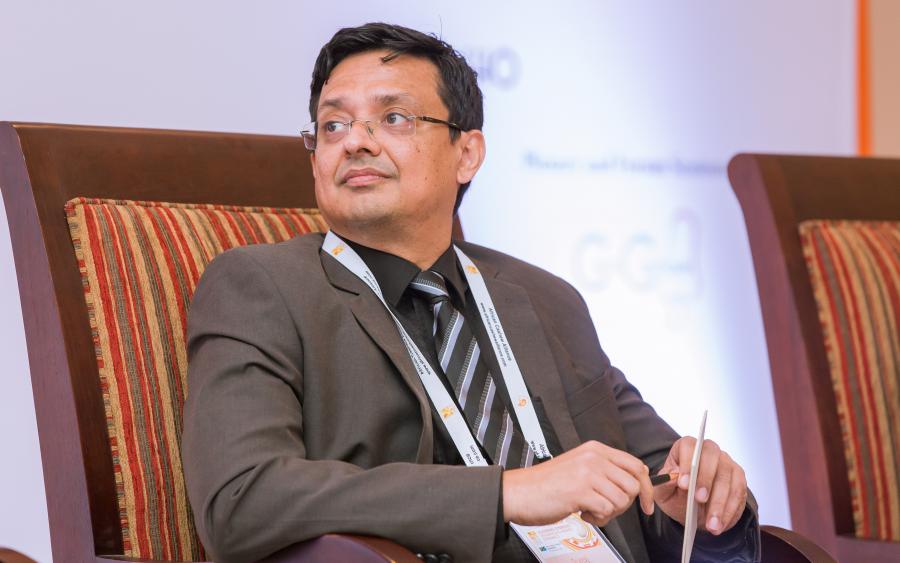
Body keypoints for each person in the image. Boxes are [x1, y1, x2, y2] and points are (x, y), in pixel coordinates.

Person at [182, 22, 760, 563]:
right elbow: (241, 497)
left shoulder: (546, 298)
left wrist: (702, 504)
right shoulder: (263, 288)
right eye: (333, 125)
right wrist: (507, 493)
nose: (355, 141)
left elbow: (658, 483)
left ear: (467, 154)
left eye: (393, 118)